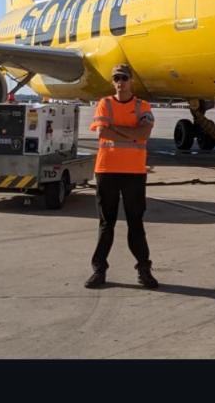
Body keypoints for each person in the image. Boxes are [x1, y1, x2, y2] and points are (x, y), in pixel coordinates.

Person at [84, 63, 158, 289]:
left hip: (134, 173)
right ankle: (99, 271)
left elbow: (144, 133)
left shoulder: (142, 105)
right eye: (116, 78)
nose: (120, 82)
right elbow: (102, 132)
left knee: (136, 224)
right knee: (107, 224)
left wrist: (117, 129)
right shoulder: (104, 103)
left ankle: (144, 270)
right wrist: (132, 134)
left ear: (131, 80)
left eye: (124, 78)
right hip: (107, 170)